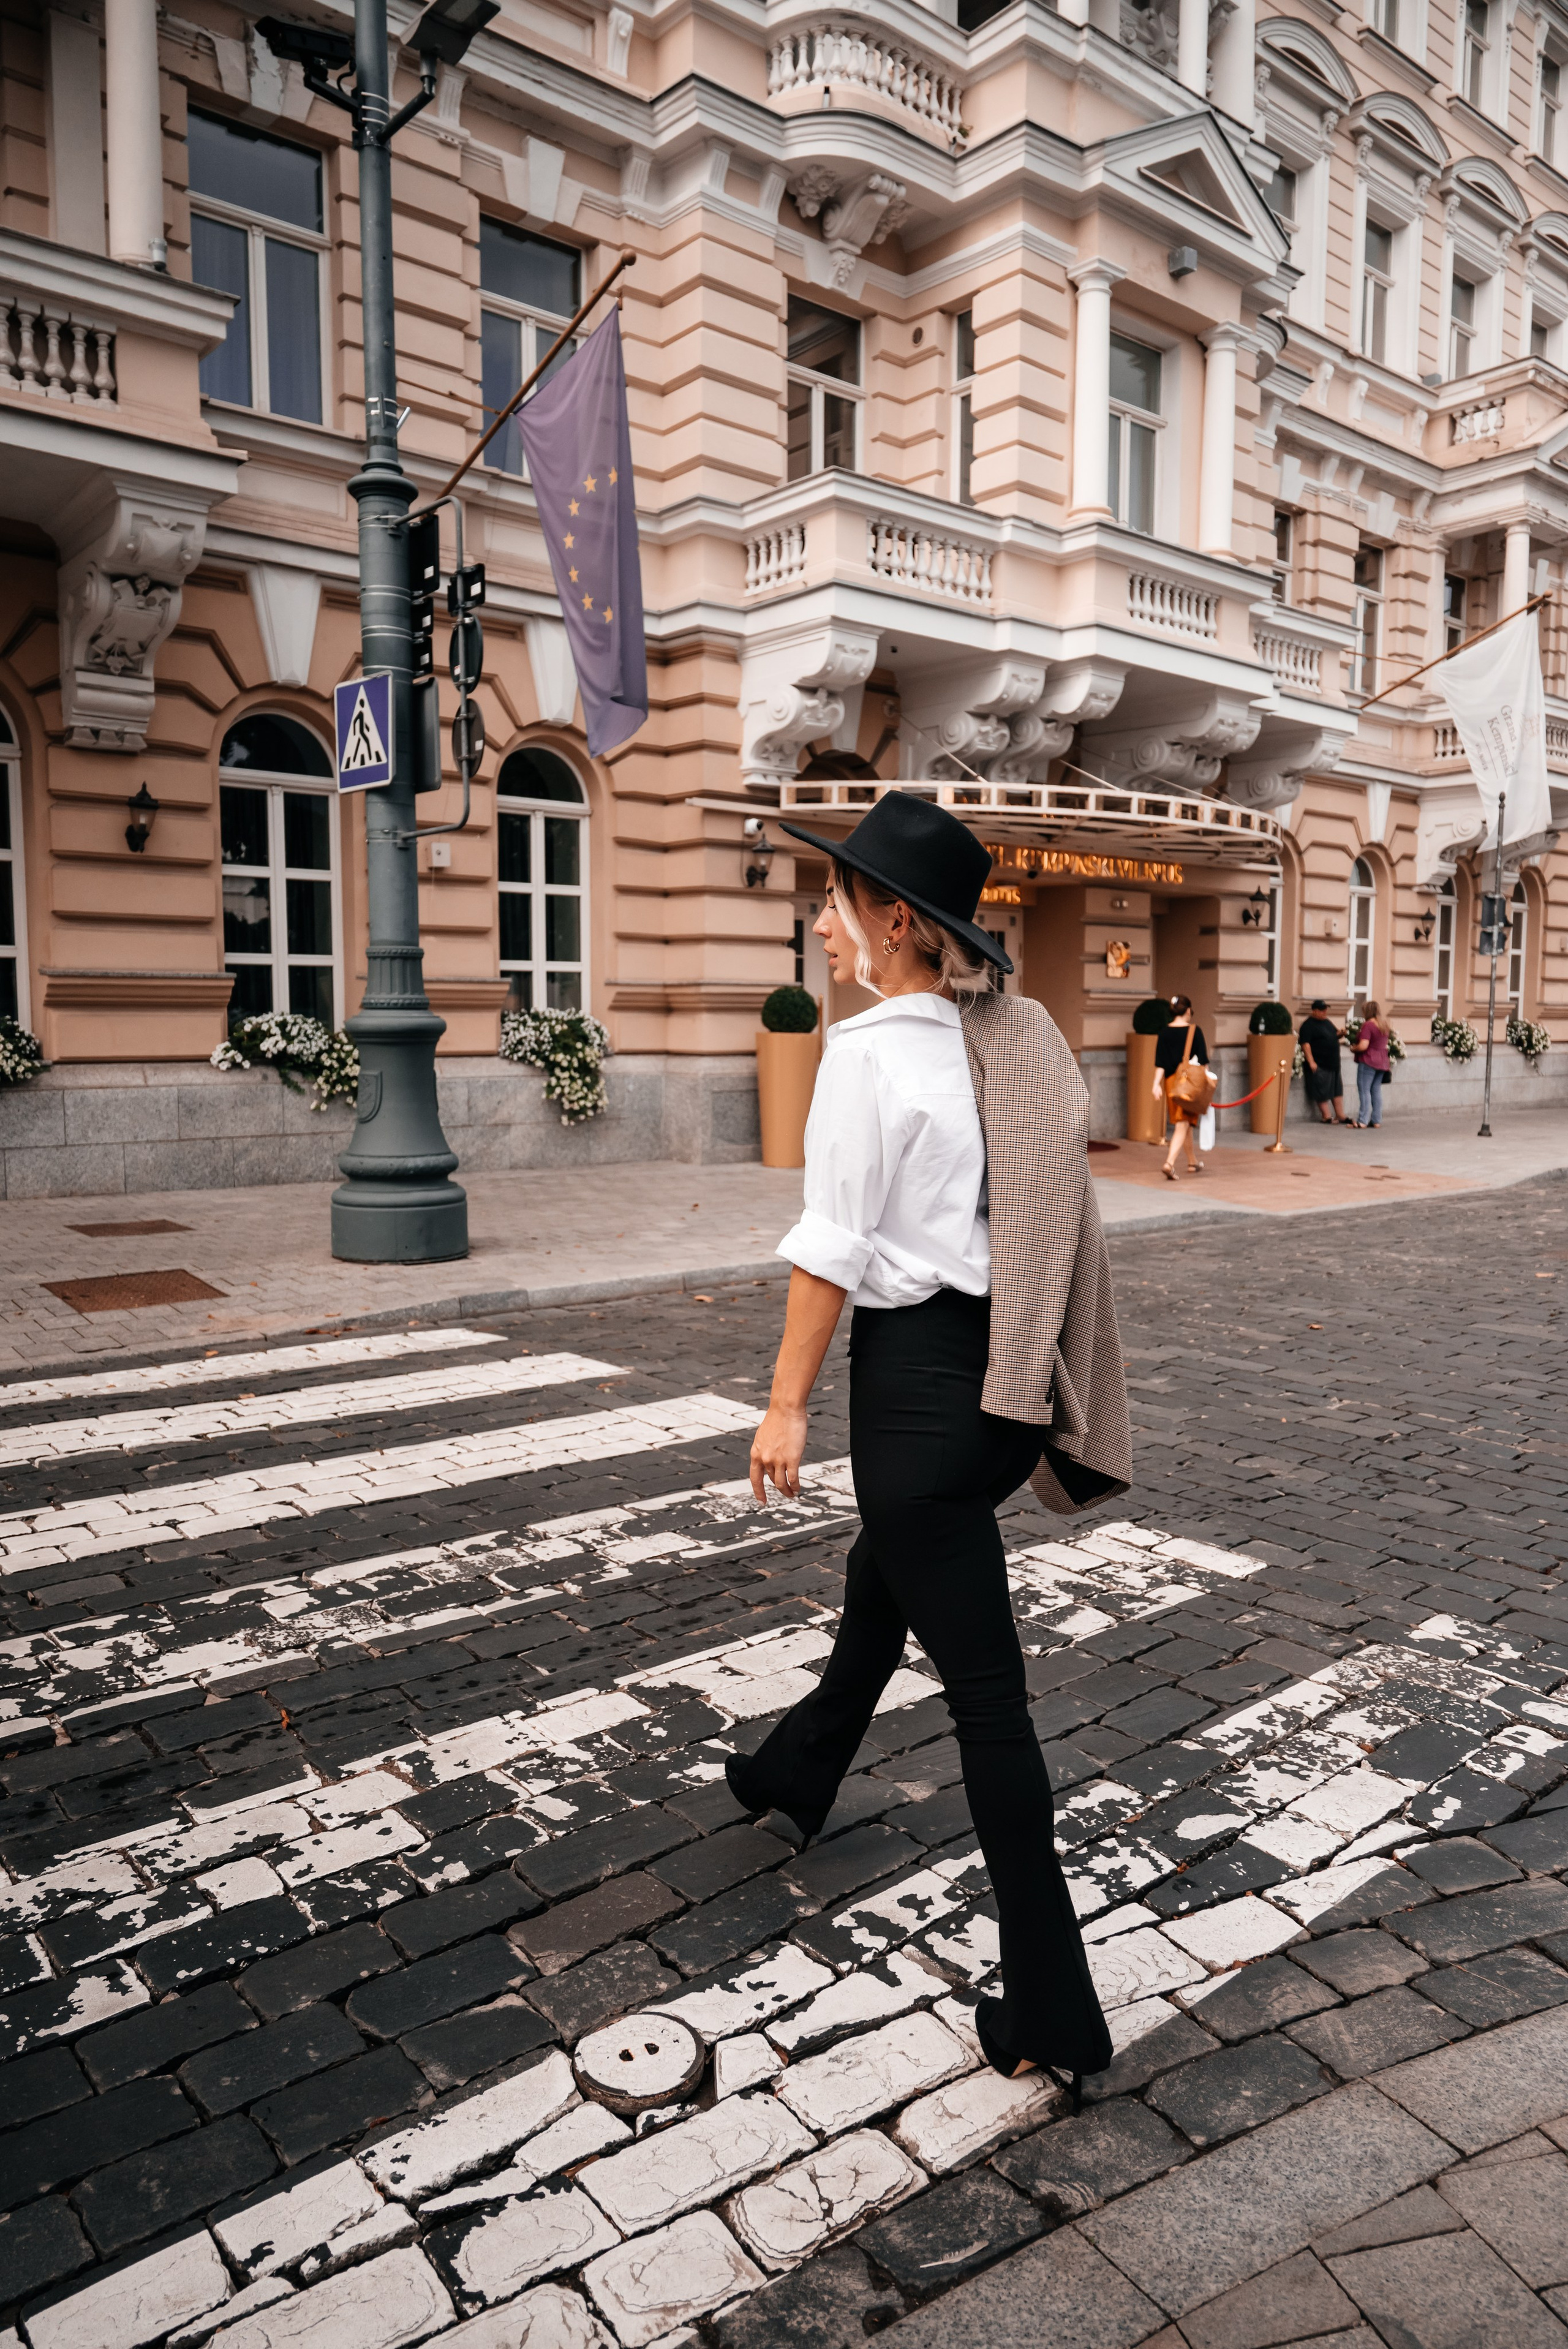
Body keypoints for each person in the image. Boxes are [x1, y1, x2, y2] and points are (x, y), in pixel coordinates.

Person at [740, 791, 1126, 2103]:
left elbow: (831, 1252)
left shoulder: (866, 1053)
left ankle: (1051, 2012)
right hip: (999, 1391)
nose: (825, 917)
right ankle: (791, 1768)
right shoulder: (1002, 1047)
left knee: (987, 1703)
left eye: (842, 898)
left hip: (909, 1401)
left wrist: (786, 1401)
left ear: (896, 921)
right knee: (881, 1587)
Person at [1154, 995, 1212, 1180]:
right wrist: (1205, 1087)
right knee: (1182, 1123)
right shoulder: (1195, 1031)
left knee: (1185, 1123)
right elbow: (1204, 1064)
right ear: (1188, 1010)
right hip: (1190, 1085)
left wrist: (1156, 1084)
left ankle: (1193, 1161)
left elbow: (1160, 1063)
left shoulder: (1164, 1033)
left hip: (1171, 1083)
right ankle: (1169, 1163)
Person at [1299, 999, 1354, 1126]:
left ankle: (1340, 1115)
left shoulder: (1327, 1022)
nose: (1325, 1012)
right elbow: (1305, 1045)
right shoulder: (1308, 1025)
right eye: (1322, 1010)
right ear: (1315, 1011)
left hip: (1334, 1063)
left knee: (1337, 1090)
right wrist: (1311, 1062)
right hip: (1320, 1063)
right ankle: (1326, 1116)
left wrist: (1342, 1034)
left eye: (1326, 1010)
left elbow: (1335, 1035)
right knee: (1322, 1089)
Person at [1352, 1001, 1390, 1126]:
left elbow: (1364, 1045)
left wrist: (1354, 1049)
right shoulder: (1384, 1025)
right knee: (1376, 1090)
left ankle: (1363, 1120)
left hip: (1369, 1060)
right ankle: (1376, 1120)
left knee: (1364, 1090)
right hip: (1383, 1061)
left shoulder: (1368, 1025)